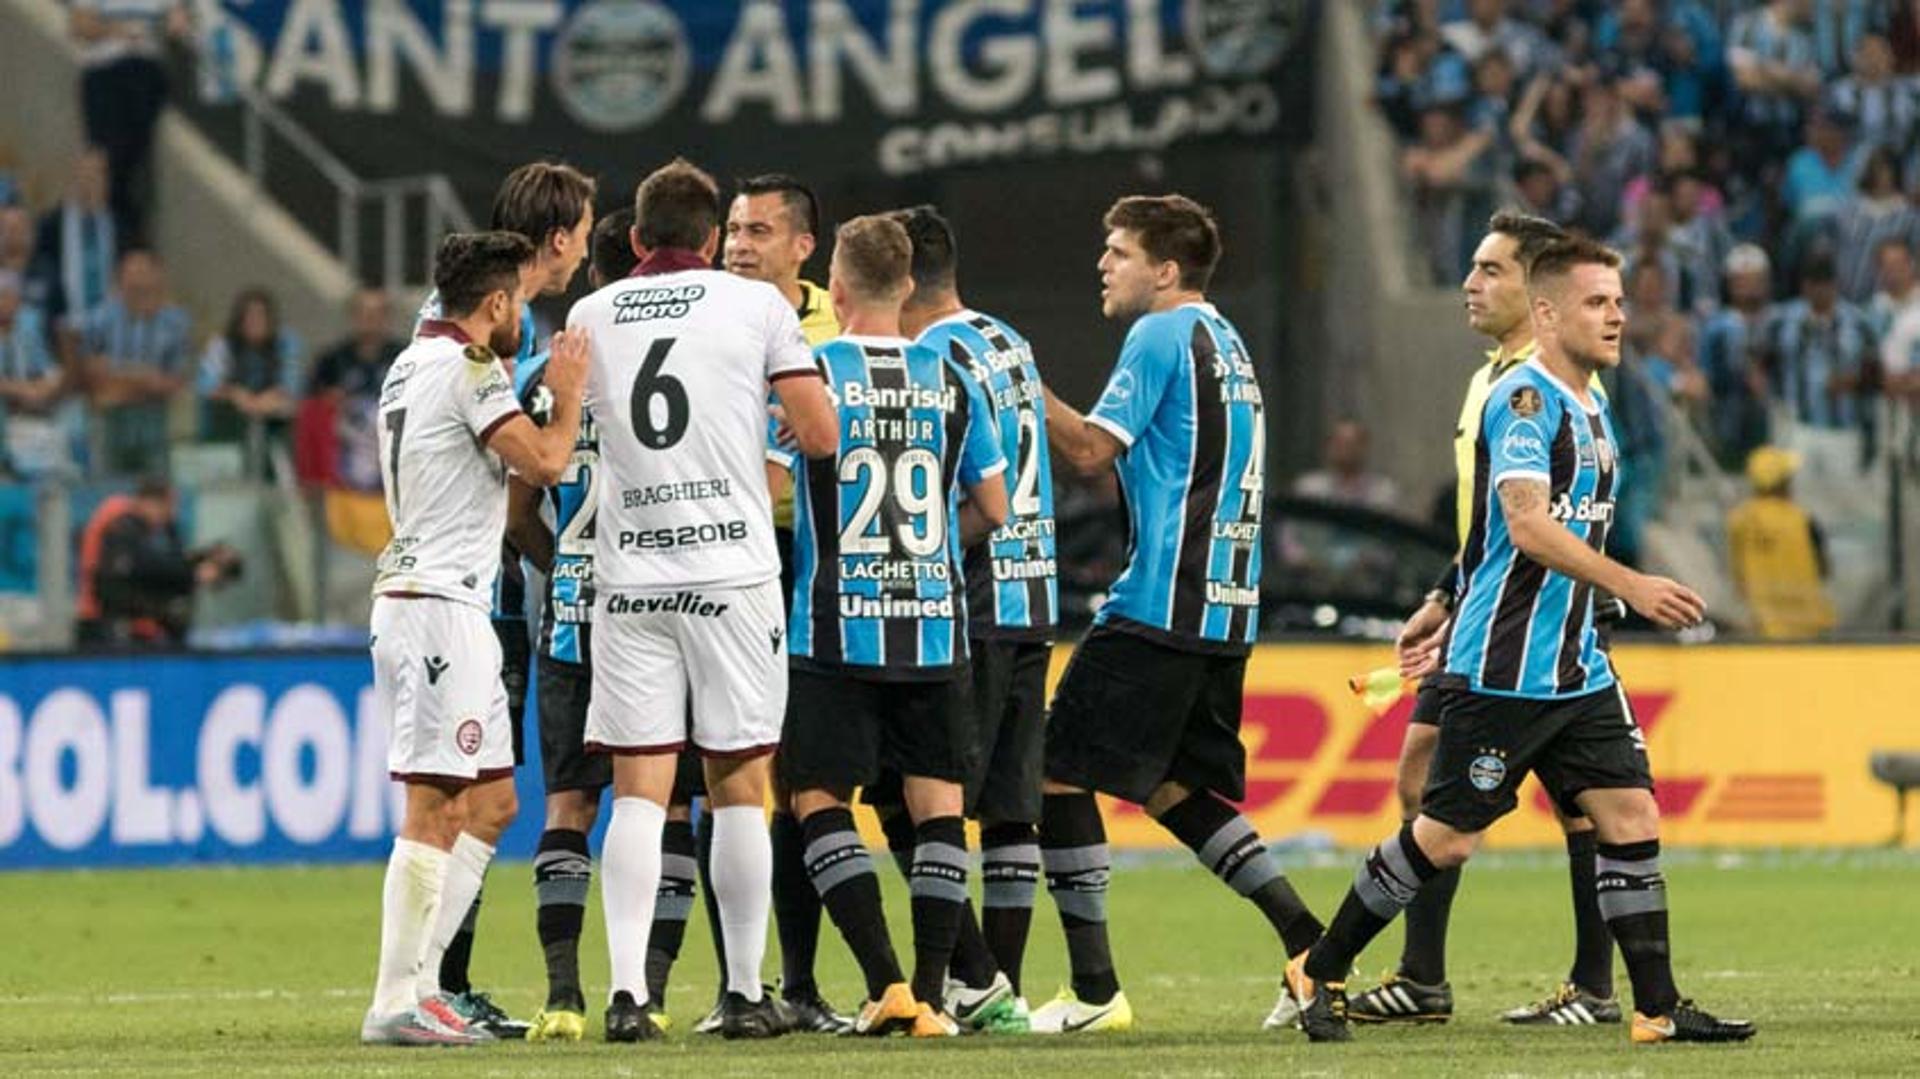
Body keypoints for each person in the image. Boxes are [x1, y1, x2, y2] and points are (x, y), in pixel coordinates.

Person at [1291, 237, 1756, 1047]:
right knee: (1445, 833)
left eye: (1618, 301)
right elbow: (1526, 524)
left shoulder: (1592, 403)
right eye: (1596, 302)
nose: (1615, 315)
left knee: (1630, 810)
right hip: (1505, 667)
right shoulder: (1526, 401)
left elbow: (1501, 535)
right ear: (1547, 313)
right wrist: (1631, 583)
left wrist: (1446, 588)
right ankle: (1320, 968)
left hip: (1576, 665)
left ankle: (1655, 1006)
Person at [1035, 195, 1320, 1034]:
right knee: (1171, 789)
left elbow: (1091, 450)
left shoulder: (1159, 333)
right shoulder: (1226, 340)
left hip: (1160, 599)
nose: (1103, 263)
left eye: (1117, 251)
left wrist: (1022, 381)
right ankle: (1313, 946)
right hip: (1224, 607)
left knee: (1053, 769)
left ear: (1165, 270)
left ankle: (1093, 993)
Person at [568, 158, 837, 1043]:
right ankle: (746, 990)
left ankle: (625, 995)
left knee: (639, 792)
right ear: (715, 240)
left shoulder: (589, 312)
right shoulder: (756, 305)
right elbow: (821, 430)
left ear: (637, 239)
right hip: (730, 573)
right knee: (739, 784)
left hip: (631, 574)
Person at [1348, 211, 1626, 1029]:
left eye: (1491, 270)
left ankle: (1591, 984)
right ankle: (1424, 977)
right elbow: (1488, 519)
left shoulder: (1561, 383)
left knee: (1583, 805)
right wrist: (1443, 594)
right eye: (1471, 268)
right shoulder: (1492, 379)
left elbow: (1560, 516)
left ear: (1539, 293)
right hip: (1482, 610)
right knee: (1420, 779)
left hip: (1537, 625)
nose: (1470, 284)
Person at [771, 213, 1007, 1039]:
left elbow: (772, 476)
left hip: (835, 624)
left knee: (817, 798)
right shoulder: (952, 376)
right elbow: (995, 508)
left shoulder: (809, 368)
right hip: (935, 626)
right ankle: (936, 996)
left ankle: (886, 982)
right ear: (908, 286)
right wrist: (930, 544)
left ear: (834, 291)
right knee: (939, 804)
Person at [361, 230, 586, 1047]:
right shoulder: (471, 368)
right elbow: (549, 463)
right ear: (495, 303)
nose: (522, 314)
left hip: (450, 602)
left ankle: (425, 988)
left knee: (492, 802)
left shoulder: (408, 362)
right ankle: (395, 999)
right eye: (519, 301)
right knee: (434, 805)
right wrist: (567, 390)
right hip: (434, 608)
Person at [410, 162, 596, 1037]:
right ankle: (430, 982)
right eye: (586, 231)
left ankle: (436, 978)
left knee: (486, 794)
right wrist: (563, 566)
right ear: (557, 240)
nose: (587, 248)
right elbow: (532, 467)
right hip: (478, 598)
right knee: (458, 793)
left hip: (476, 587)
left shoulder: (454, 318)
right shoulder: (488, 338)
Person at [659, 172, 844, 1037]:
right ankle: (735, 977)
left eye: (759, 230)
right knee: (723, 774)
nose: (738, 243)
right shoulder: (704, 310)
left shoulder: (830, 327)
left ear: (804, 246)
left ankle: (800, 979)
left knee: (804, 774)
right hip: (718, 560)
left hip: (804, 561)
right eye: (733, 227)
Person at [884, 203, 1056, 1034]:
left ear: (903, 277)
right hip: (1035, 595)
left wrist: (923, 553)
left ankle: (976, 978)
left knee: (923, 796)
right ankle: (1004, 988)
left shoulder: (926, 356)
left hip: (974, 600)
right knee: (1011, 807)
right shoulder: (1006, 339)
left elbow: (964, 495)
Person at [509, 208, 627, 1043]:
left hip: (567, 625)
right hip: (657, 613)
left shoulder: (547, 376)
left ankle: (563, 996)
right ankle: (645, 992)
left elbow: (518, 519)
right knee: (674, 807)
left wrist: (567, 570)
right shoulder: (689, 373)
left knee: (566, 803)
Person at [68, 0, 190, 242]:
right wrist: (118, 31)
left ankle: (128, 234)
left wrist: (169, 26)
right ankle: (109, 232)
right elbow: (79, 26)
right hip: (104, 73)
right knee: (106, 162)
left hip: (146, 72)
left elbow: (178, 23)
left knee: (134, 166)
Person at [73, 475, 240, 647]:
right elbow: (144, 567)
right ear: (151, 502)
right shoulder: (122, 522)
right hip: (104, 628)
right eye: (166, 508)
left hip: (118, 625)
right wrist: (193, 574)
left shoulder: (136, 527)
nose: (167, 517)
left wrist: (202, 557)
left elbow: (164, 561)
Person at [78, 248, 191, 478]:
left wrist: (121, 380)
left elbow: (174, 382)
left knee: (156, 488)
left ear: (157, 277)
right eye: (132, 274)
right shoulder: (99, 319)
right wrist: (145, 378)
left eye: (144, 273)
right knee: (107, 489)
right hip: (110, 420)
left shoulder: (176, 323)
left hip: (155, 419)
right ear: (120, 279)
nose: (138, 282)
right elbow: (94, 378)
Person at [1727, 446, 1835, 639]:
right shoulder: (1804, 520)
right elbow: (1825, 570)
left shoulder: (1739, 520)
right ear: (1784, 482)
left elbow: (1737, 573)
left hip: (1760, 625)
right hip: (1806, 623)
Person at [197, 287, 302, 478]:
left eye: (260, 316)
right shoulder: (222, 345)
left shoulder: (286, 342)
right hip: (227, 434)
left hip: (275, 433)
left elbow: (293, 384)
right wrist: (235, 393)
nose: (254, 322)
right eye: (248, 316)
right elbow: (205, 385)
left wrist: (265, 400)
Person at [0, 269, 70, 480]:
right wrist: (23, 390)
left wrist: (44, 388)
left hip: (29, 409)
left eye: (9, 296)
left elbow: (50, 372)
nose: (5, 303)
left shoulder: (27, 331)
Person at [1292, 420, 1401, 513]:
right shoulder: (1309, 489)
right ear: (1328, 447)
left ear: (1364, 448)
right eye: (1339, 443)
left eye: (1351, 443)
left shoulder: (1382, 493)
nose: (1345, 450)